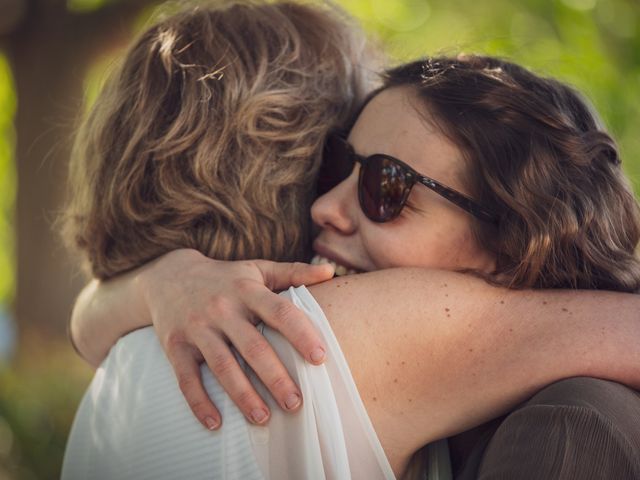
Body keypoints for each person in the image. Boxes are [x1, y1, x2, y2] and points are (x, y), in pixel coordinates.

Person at [63, 2, 640, 479]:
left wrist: (153, 283)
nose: (323, 206)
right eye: (333, 161)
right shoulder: (310, 335)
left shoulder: (124, 369)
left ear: (515, 242)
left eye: (384, 186)